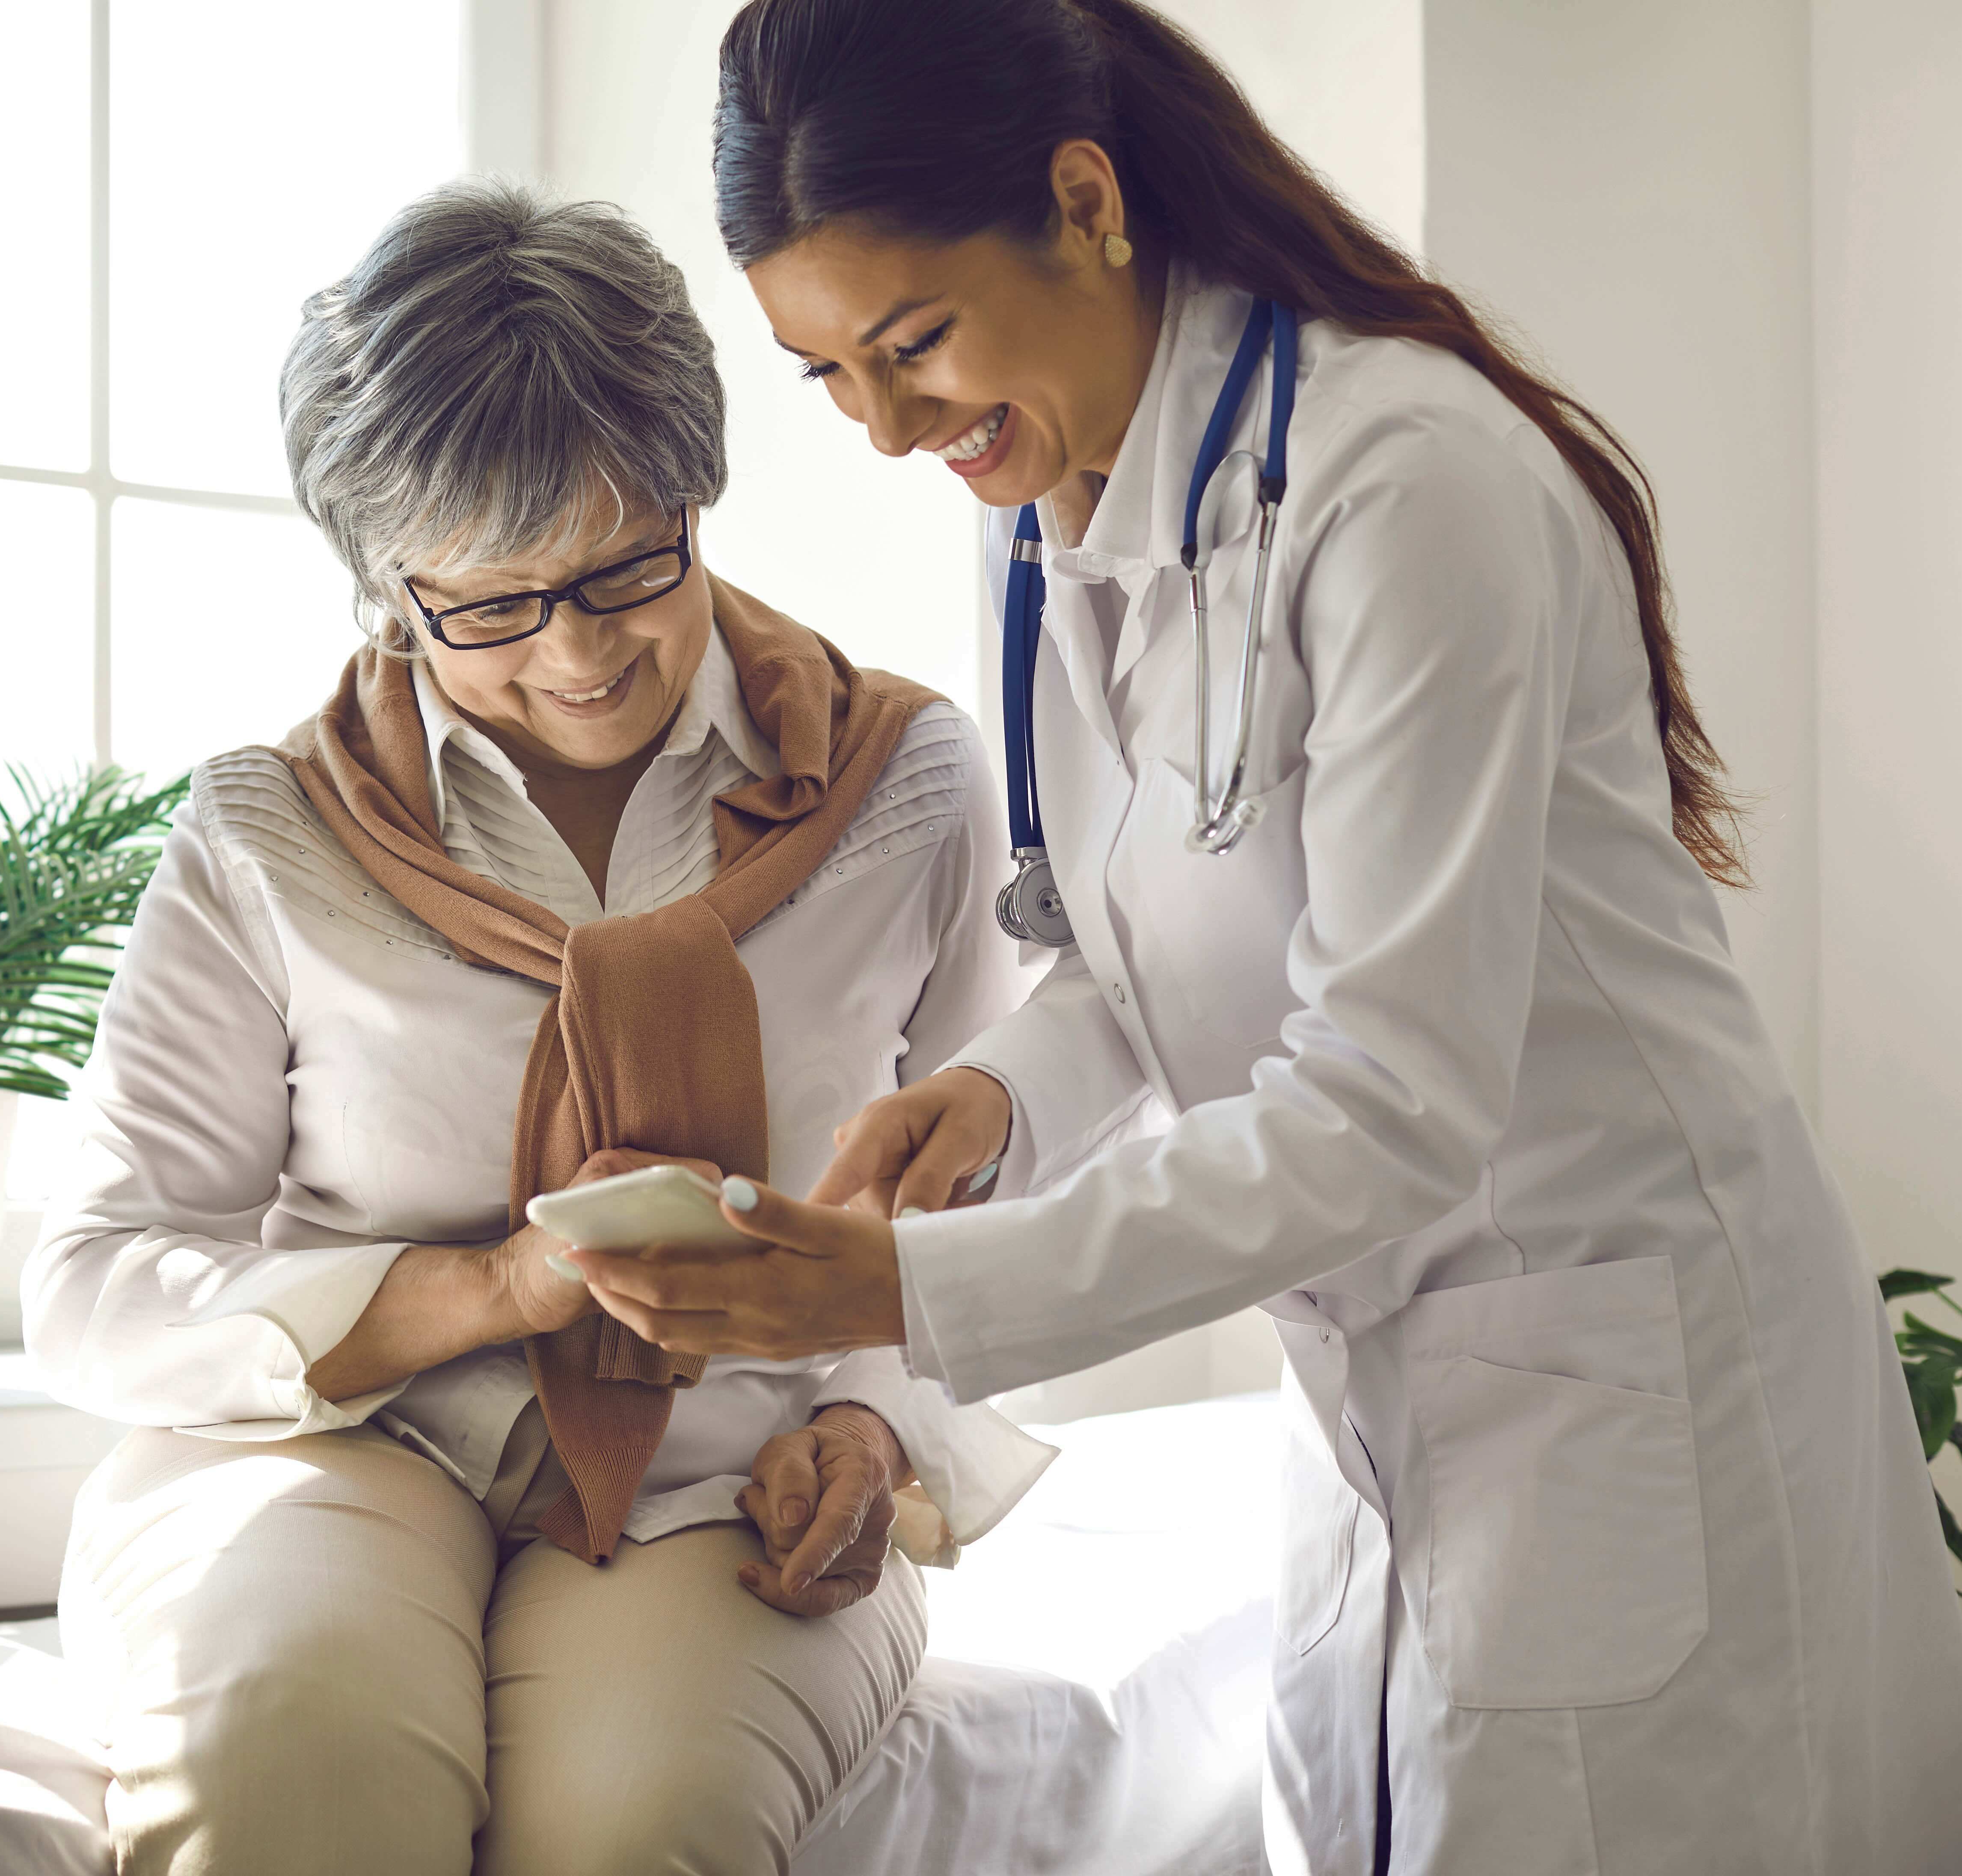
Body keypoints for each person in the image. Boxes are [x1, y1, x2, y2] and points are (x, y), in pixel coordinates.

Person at [566, 3, 1962, 1872]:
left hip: (1627, 1371)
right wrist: (997, 1096)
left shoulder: (1407, 484)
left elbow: (1389, 1102)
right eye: (830, 377)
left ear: (1085, 201)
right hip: (1386, 1396)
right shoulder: (1040, 500)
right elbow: (1148, 955)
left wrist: (895, 1295)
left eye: (912, 344)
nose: (893, 430)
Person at [23, 178, 1051, 1876]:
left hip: (738, 1463)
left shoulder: (906, 785)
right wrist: (484, 1292)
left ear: (698, 501)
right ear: (384, 585)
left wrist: (872, 1427)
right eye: (492, 604)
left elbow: (1000, 1201)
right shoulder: (267, 830)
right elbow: (98, 1281)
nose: (580, 656)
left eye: (629, 569)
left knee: (638, 1829)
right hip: (339, 1441)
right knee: (294, 1763)